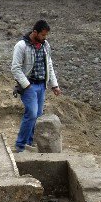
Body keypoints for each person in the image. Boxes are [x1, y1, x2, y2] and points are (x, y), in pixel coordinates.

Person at [11, 20, 62, 153]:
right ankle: (20, 145)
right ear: (35, 32)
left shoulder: (45, 45)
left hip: (41, 85)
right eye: (43, 35)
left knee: (38, 116)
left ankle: (29, 143)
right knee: (32, 114)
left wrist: (54, 85)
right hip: (29, 85)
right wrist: (26, 85)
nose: (45, 38)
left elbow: (49, 65)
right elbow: (15, 68)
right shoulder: (21, 46)